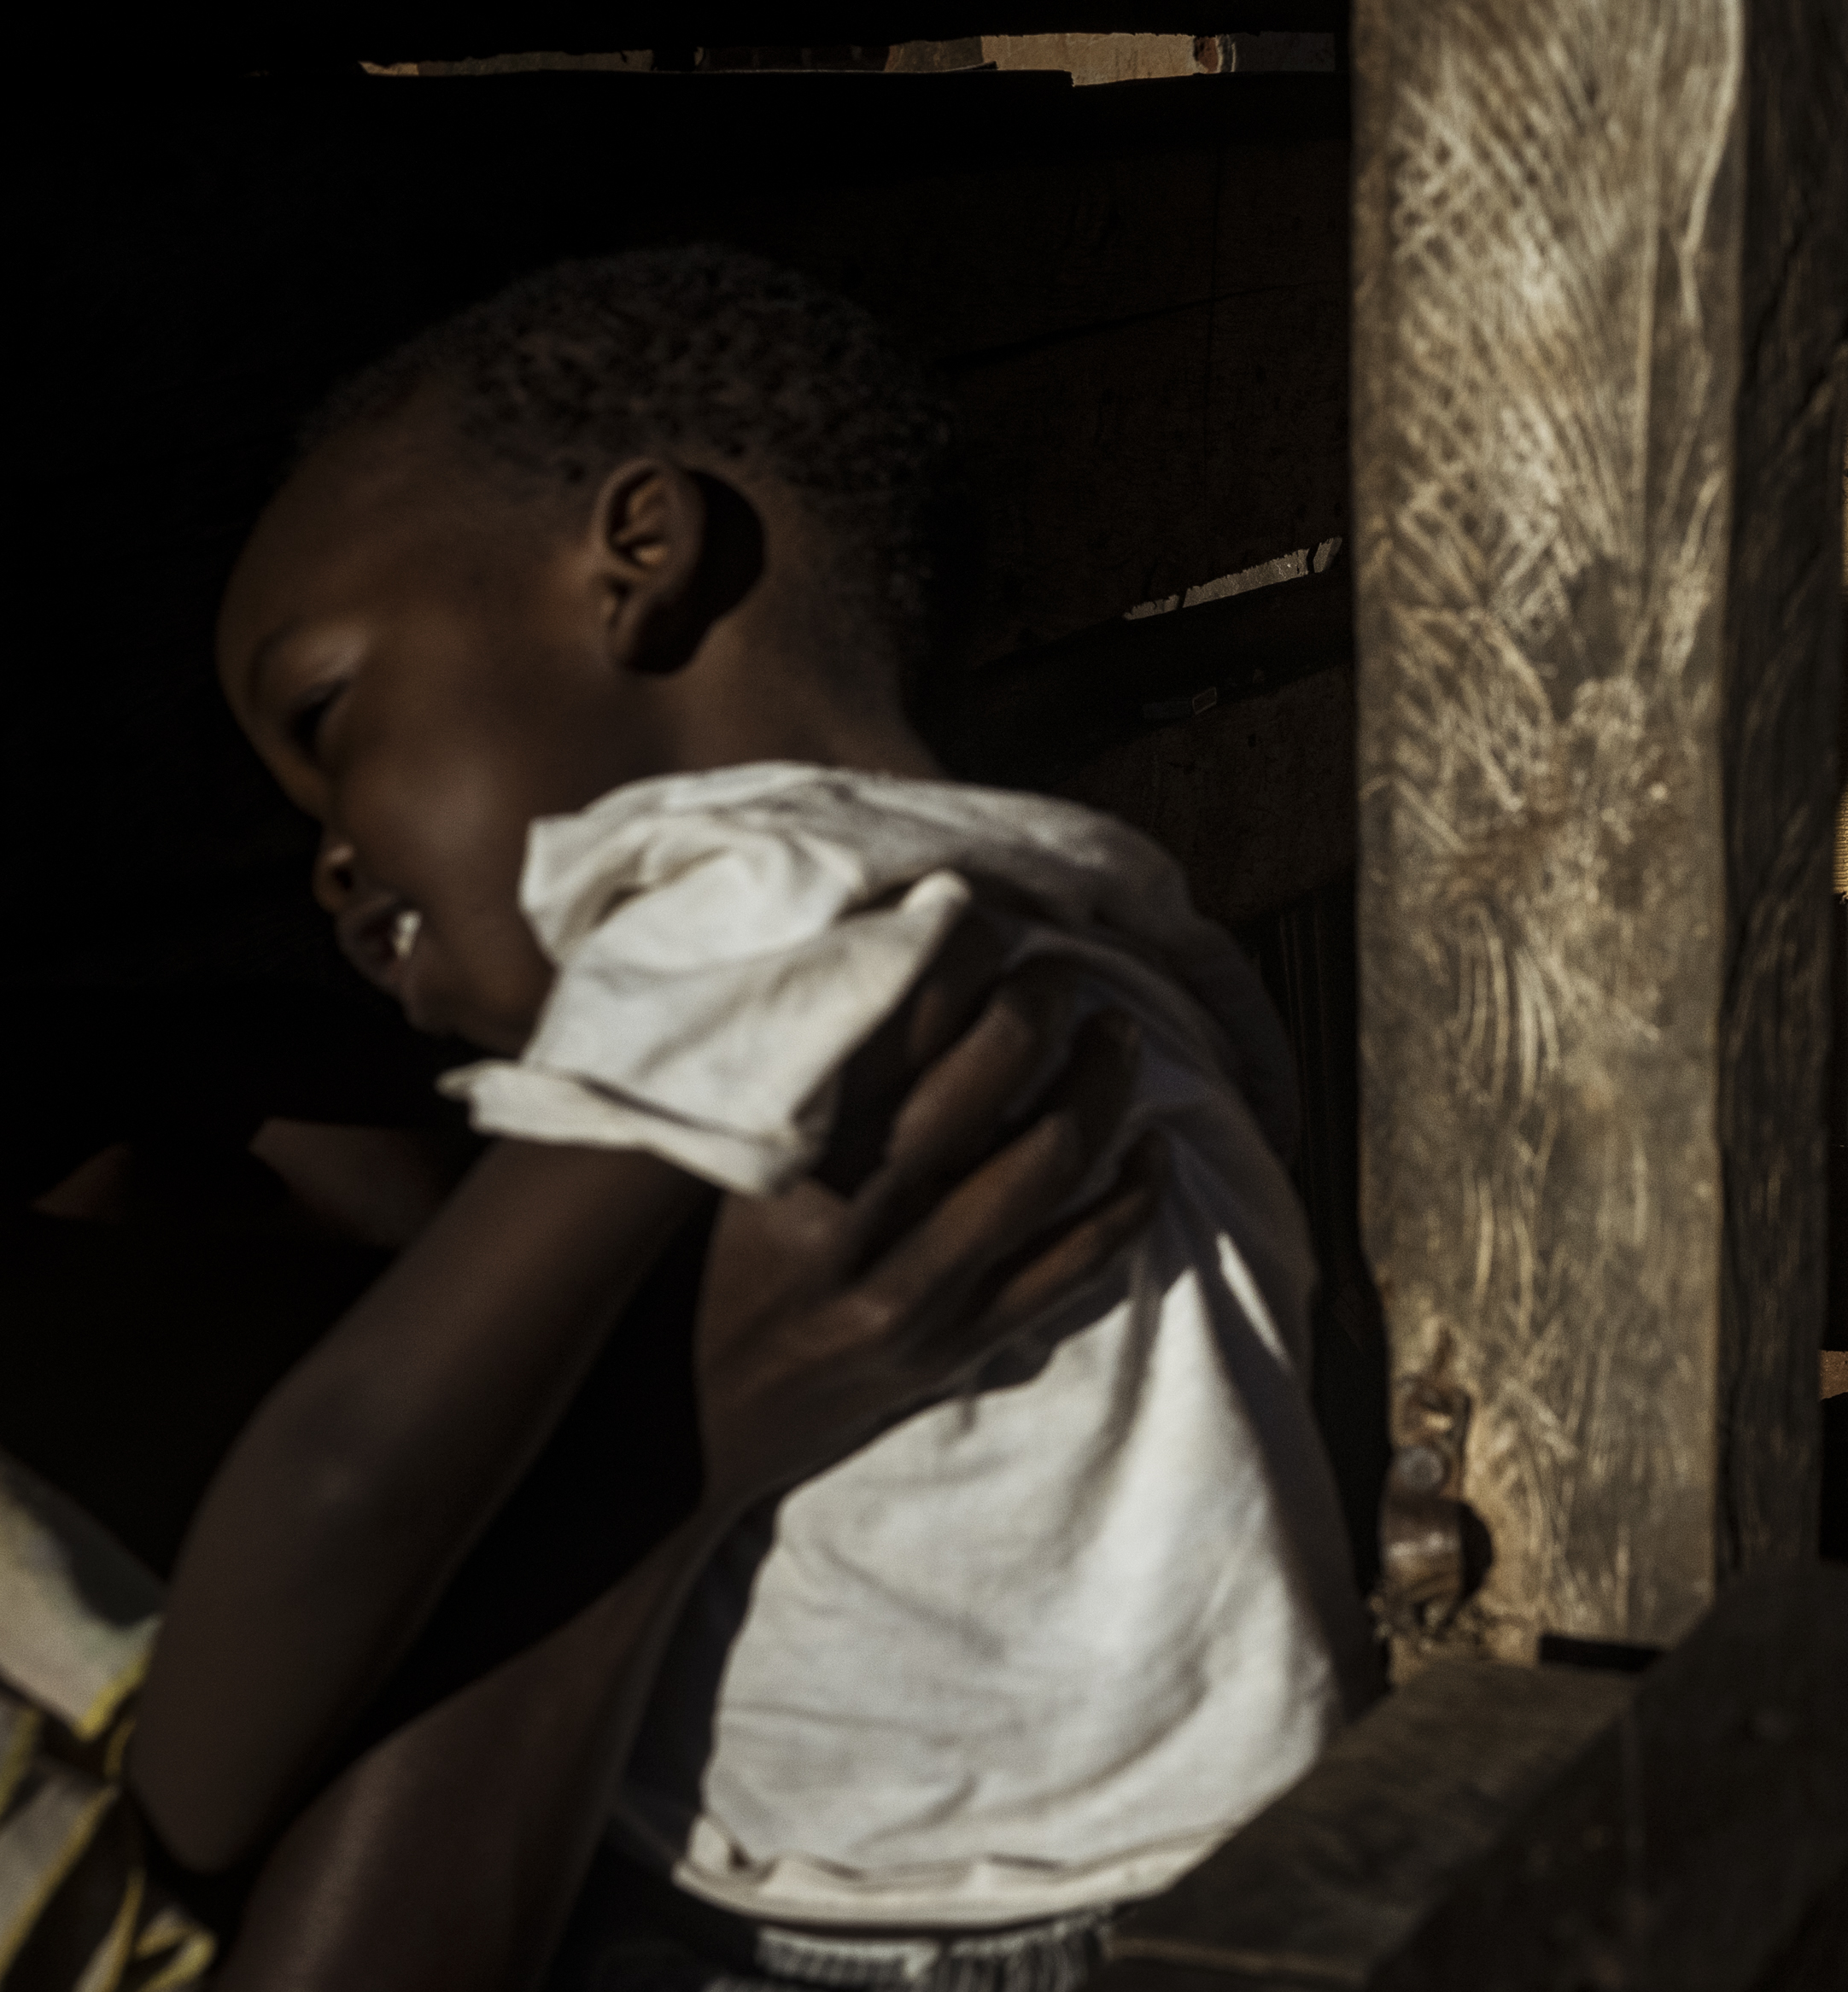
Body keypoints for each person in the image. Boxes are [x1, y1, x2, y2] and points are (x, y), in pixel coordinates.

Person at [125, 247, 1369, 1992]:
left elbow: (356, 1464)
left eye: (330, 719)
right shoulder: (1052, 915)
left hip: (857, 1933)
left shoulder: (751, 896)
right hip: (1172, 1877)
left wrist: (167, 1808)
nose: (329, 847)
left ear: (639, 559)